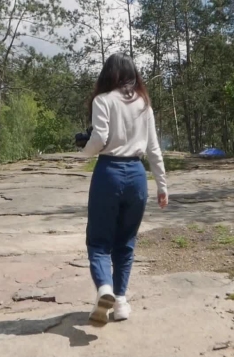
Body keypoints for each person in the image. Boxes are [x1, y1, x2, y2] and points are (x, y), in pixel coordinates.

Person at [80, 53, 168, 325]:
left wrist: (83, 154)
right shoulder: (144, 104)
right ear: (132, 75)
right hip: (137, 175)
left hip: (109, 173)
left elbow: (100, 138)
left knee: (98, 241)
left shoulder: (102, 100)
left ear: (107, 74)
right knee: (126, 242)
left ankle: (104, 288)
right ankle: (120, 303)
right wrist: (162, 185)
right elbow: (153, 148)